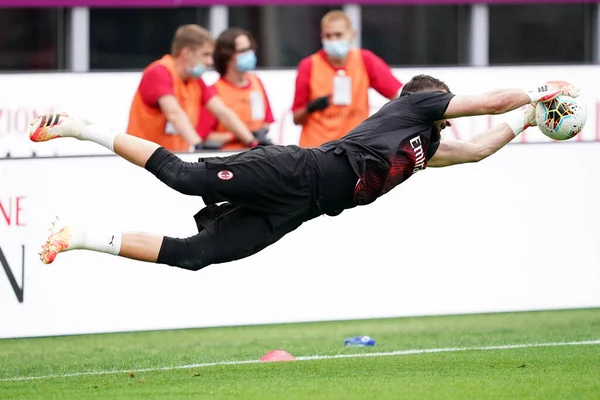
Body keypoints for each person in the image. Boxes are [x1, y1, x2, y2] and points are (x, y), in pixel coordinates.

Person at [30, 75, 579, 272]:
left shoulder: (424, 145)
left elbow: (480, 147)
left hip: (301, 208)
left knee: (195, 256)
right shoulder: (414, 108)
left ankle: (75, 237)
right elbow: (487, 104)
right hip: (297, 170)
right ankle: (82, 127)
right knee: (185, 177)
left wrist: (529, 118)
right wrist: (536, 92)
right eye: (442, 104)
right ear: (428, 99)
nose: (445, 110)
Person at [127, 24, 259, 153]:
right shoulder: (159, 72)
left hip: (170, 158)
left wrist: (252, 142)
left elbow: (223, 112)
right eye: (205, 54)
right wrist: (198, 145)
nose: (210, 62)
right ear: (187, 53)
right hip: (141, 158)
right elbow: (174, 113)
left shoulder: (195, 80)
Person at [292, 10, 403, 148]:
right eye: (328, 36)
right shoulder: (308, 65)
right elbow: (297, 118)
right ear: (321, 37)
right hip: (317, 151)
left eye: (338, 34)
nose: (333, 40)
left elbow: (398, 98)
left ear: (352, 35)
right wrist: (311, 108)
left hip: (354, 148)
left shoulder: (365, 60)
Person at [197, 27, 275, 150]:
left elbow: (267, 121)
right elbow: (205, 137)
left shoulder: (256, 83)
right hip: (229, 158)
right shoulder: (214, 91)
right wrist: (236, 136)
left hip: (258, 155)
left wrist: (261, 133)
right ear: (227, 56)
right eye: (243, 51)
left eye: (250, 49)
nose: (249, 54)